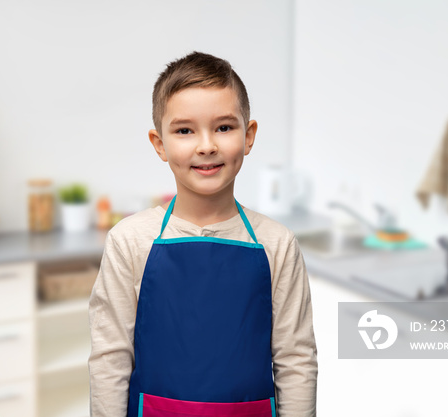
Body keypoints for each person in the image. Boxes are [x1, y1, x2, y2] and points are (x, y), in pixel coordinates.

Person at [88, 51, 317, 417]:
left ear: (249, 135)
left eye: (224, 127)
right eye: (184, 130)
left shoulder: (277, 244)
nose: (206, 145)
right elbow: (109, 359)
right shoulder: (129, 240)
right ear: (159, 143)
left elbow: (296, 360)